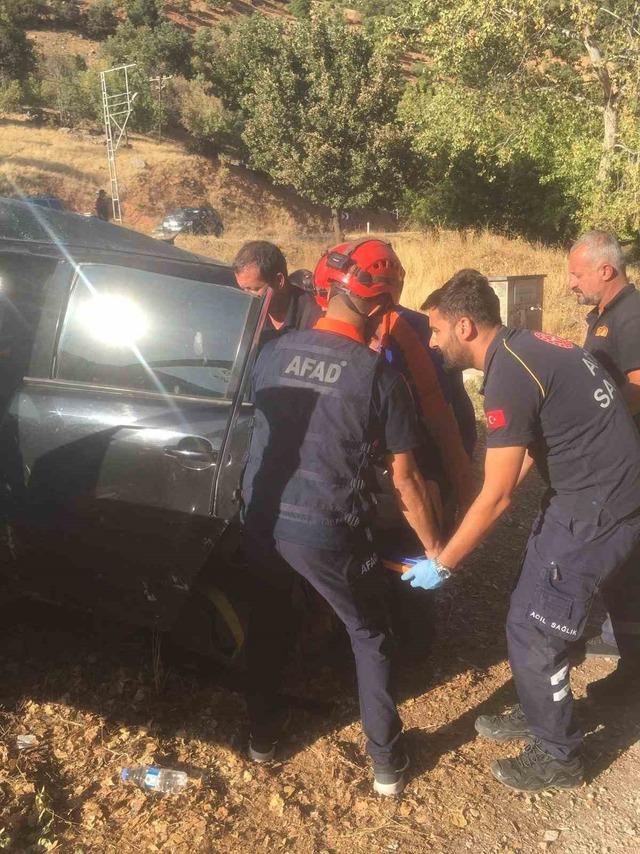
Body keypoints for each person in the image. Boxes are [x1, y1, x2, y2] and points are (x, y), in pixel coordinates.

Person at [404, 269, 640, 792]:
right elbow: (532, 444)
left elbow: (499, 496)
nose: (432, 340)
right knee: (528, 604)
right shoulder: (525, 345)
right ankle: (541, 711)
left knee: (537, 626)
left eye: (437, 329)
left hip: (597, 507)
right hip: (590, 493)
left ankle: (559, 755)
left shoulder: (506, 374)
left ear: (464, 326)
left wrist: (443, 562)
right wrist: (493, 490)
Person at [241, 239, 443, 796]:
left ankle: (261, 738)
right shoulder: (379, 376)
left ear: (325, 293)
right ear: (380, 308)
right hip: (325, 526)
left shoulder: (271, 352)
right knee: (369, 632)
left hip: (261, 517)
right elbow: (404, 480)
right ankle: (386, 764)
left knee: (270, 620)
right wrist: (434, 551)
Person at [314, 239, 475, 517]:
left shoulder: (412, 334)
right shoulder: (328, 322)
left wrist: (466, 505)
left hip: (434, 436)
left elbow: (445, 429)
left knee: (432, 508)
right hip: (385, 446)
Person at [569, 230, 640, 669]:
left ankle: (632, 667)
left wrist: (595, 417)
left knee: (628, 562)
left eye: (577, 274)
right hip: (616, 455)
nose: (571, 283)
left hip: (629, 456)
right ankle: (626, 649)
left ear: (605, 270)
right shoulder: (604, 312)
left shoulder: (631, 316)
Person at [233, 241, 321, 333]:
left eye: (254, 289)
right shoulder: (243, 316)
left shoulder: (314, 316)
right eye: (243, 289)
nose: (247, 297)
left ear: (279, 281)